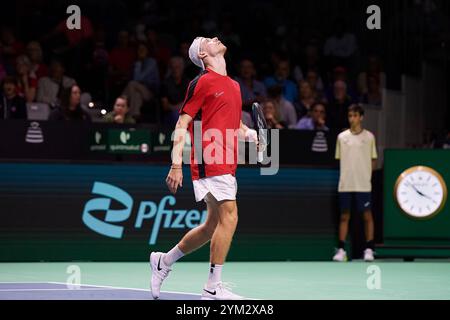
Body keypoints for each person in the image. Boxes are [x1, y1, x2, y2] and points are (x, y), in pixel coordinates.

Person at [150, 37, 258, 300]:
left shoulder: (233, 85)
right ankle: (212, 287)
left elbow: (232, 121)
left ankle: (164, 261)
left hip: (228, 158)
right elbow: (181, 124)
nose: (216, 39)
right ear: (202, 53)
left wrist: (248, 132)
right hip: (209, 157)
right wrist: (176, 164)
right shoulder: (201, 82)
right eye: (208, 40)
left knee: (212, 225)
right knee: (230, 216)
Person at [333, 104, 378, 262]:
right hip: (345, 184)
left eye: (355, 116)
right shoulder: (341, 137)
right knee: (344, 216)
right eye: (350, 115)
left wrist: (367, 177)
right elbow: (340, 160)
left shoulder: (370, 137)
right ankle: (341, 250)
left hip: (363, 185)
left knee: (367, 216)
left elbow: (373, 159)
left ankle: (369, 249)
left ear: (361, 117)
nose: (352, 119)